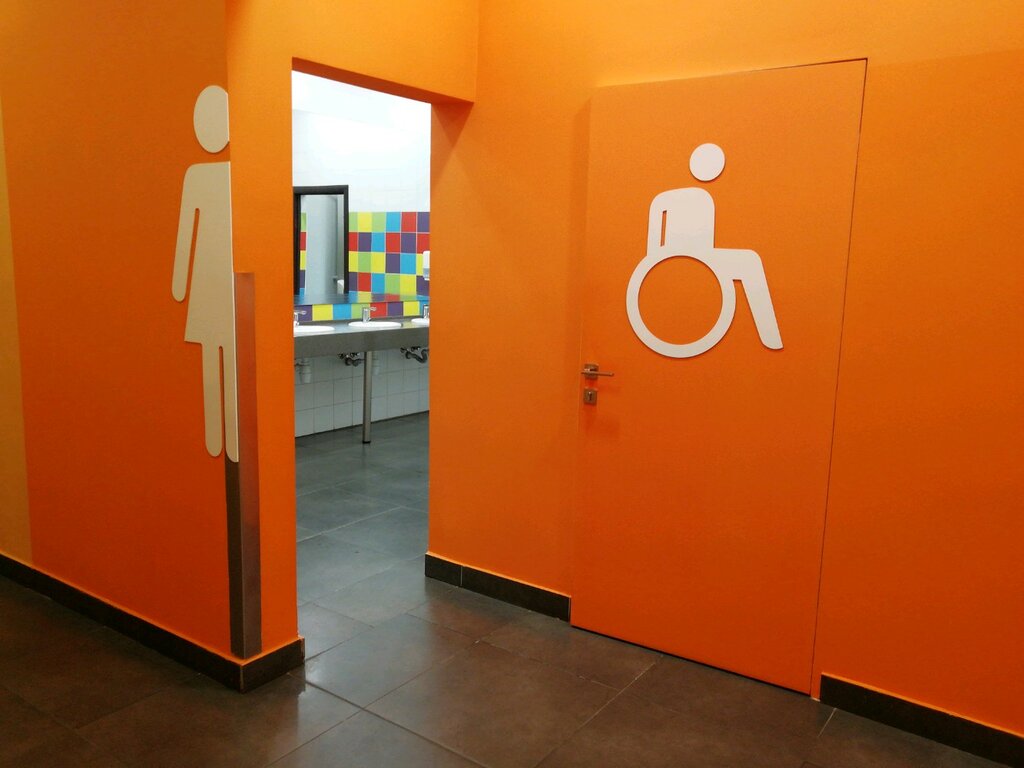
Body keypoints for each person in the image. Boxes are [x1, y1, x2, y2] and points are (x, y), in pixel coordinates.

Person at [172, 85, 238, 461]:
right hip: (211, 282)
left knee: (221, 354)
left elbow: (186, 233)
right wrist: (179, 284)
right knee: (213, 355)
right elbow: (186, 232)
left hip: (216, 282)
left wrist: (180, 285)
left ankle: (226, 441)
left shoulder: (212, 175)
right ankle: (218, 440)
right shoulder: (198, 175)